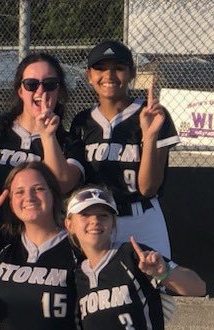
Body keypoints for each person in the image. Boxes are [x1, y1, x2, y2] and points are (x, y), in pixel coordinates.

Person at [69, 40, 180, 258]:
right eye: (100, 68)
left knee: (156, 277)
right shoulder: (82, 122)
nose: (109, 75)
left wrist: (149, 136)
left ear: (132, 73)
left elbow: (149, 188)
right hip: (96, 221)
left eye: (118, 68)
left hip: (140, 217)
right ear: (89, 75)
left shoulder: (151, 114)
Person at [64, 185, 205, 330]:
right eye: (85, 215)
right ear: (69, 225)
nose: (95, 221)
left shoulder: (132, 256)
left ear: (113, 223)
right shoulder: (76, 276)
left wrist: (164, 272)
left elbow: (198, 288)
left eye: (103, 215)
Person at [0, 53, 84, 213]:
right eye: (31, 84)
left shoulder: (68, 142)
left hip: (39, 228)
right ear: (20, 91)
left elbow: (62, 185)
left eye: (50, 84)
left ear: (59, 91)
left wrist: (47, 136)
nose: (41, 90)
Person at [0, 161, 82, 330]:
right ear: (10, 201)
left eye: (38, 189)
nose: (29, 197)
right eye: (19, 192)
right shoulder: (0, 244)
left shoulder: (79, 248)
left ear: (54, 194)